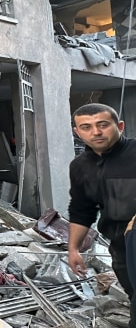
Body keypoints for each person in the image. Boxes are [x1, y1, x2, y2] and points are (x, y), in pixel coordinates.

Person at [68, 103, 136, 327]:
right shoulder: (79, 167)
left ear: (120, 126)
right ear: (77, 132)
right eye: (86, 127)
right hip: (121, 247)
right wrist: (74, 248)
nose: (95, 132)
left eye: (103, 125)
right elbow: (81, 209)